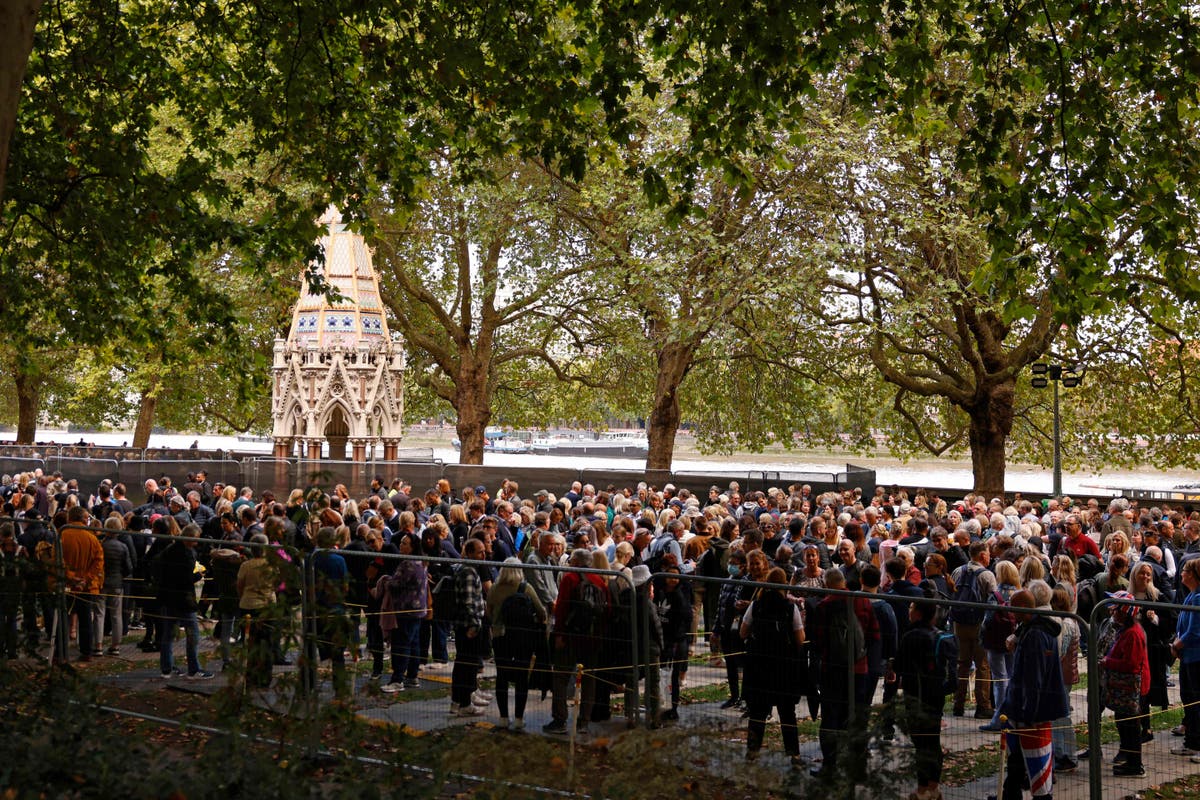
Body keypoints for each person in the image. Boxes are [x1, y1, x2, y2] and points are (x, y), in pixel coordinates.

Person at [998, 589, 1068, 800]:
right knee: (1016, 761)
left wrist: (1028, 713)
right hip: (1021, 708)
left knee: (1036, 762)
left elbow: (1033, 678)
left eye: (1014, 606)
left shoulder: (1036, 635)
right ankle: (1011, 794)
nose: (1010, 610)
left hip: (1030, 713)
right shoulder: (1030, 628)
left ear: (1025, 608)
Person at [740, 566, 804, 766]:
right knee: (787, 713)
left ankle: (752, 752)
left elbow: (742, 632)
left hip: (759, 664)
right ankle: (794, 754)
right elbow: (800, 639)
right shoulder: (789, 608)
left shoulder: (756, 605)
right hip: (783, 666)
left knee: (757, 712)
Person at [891, 594, 946, 800]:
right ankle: (934, 787)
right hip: (935, 696)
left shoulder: (911, 636)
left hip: (916, 696)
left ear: (919, 613)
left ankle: (922, 789)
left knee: (921, 743)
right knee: (933, 741)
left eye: (912, 607)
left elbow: (899, 665)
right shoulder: (939, 635)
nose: (909, 609)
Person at [486, 556, 546, 730]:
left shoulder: (495, 589)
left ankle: (503, 717)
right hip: (522, 638)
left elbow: (488, 611)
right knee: (521, 678)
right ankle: (519, 718)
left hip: (500, 636)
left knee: (502, 676)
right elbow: (541, 612)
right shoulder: (525, 588)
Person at [1101, 590, 1150, 776]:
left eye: (1115, 609)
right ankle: (1129, 761)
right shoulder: (1124, 631)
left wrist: (1108, 662)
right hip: (1124, 689)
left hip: (1132, 689)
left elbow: (1131, 664)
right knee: (1123, 724)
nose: (1112, 611)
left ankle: (1135, 765)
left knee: (1130, 727)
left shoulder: (1133, 634)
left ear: (1124, 612)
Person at [157, 523, 212, 679]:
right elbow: (186, 577)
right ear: (190, 538)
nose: (197, 542)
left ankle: (166, 668)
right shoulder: (186, 553)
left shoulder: (170, 549)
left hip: (168, 597)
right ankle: (194, 669)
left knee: (168, 633)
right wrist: (199, 575)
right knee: (193, 633)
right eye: (195, 539)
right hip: (183, 599)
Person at [376, 533, 428, 693]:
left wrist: (385, 580)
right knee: (414, 644)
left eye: (405, 543)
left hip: (405, 609)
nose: (401, 545)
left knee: (401, 645)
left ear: (412, 547)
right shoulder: (422, 561)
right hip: (418, 609)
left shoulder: (407, 564)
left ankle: (397, 679)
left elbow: (395, 584)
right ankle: (412, 676)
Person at [450, 538, 489, 717]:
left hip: (468, 624)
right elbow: (468, 602)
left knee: (465, 664)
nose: (484, 554)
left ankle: (458, 700)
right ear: (470, 553)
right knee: (466, 664)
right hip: (468, 626)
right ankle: (464, 703)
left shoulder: (470, 570)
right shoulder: (468, 572)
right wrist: (474, 623)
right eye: (480, 551)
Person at [236, 532, 277, 687]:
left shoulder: (246, 566)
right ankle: (265, 677)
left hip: (248, 605)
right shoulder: (271, 565)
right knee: (266, 642)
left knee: (250, 642)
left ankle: (251, 676)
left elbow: (239, 585)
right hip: (267, 606)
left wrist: (243, 596)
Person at [1171, 558, 1200, 762]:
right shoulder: (1191, 595)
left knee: (1196, 702)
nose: (1181, 573)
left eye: (1185, 570)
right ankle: (1191, 742)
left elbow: (1195, 631)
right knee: (1188, 700)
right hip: (1187, 656)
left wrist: (1176, 645)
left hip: (1196, 657)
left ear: (1192, 574)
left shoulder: (1198, 598)